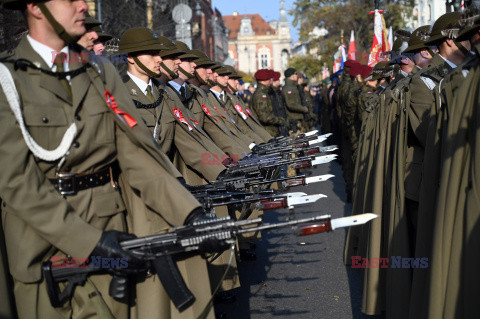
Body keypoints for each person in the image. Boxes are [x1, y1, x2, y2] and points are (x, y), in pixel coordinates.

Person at [0, 1, 203, 318]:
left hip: (110, 230)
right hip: (43, 246)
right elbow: (15, 181)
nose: (83, 4)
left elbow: (135, 151)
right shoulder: (7, 80)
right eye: (70, 0)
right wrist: (90, 242)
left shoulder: (98, 71)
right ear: (36, 8)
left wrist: (190, 212)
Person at [251, 69, 286, 137]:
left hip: (272, 131)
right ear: (265, 80)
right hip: (267, 132)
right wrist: (280, 120)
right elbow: (264, 117)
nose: (272, 80)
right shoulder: (260, 95)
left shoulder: (267, 92)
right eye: (270, 78)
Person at [282, 67, 308, 132]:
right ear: (292, 76)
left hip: (298, 118)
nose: (297, 75)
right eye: (296, 74)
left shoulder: (294, 86)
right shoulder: (288, 88)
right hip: (294, 120)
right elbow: (291, 104)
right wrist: (304, 109)